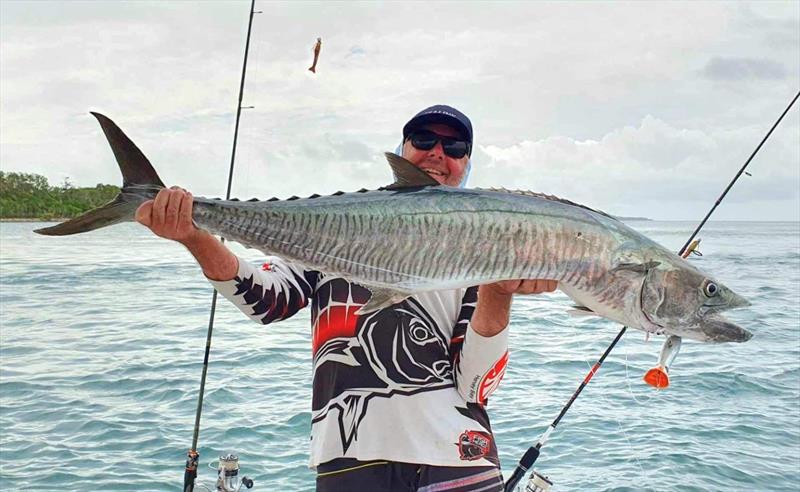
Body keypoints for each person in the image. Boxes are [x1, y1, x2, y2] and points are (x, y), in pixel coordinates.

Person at [135, 104, 557, 491]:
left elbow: (476, 386)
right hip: (350, 460)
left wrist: (498, 292)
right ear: (402, 150)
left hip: (459, 459)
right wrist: (193, 233)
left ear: (467, 164)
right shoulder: (337, 226)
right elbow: (264, 301)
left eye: (455, 146)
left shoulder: (486, 244)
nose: (437, 153)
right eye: (423, 141)